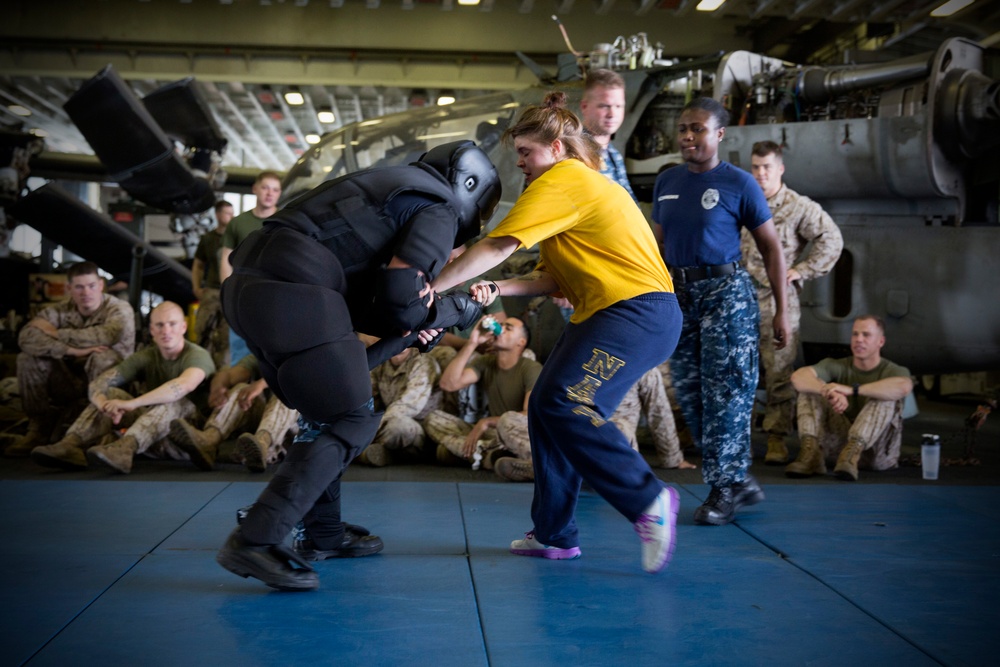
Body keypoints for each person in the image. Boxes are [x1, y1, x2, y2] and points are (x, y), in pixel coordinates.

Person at [214, 140, 501, 591]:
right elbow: (402, 303)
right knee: (351, 418)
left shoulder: (383, 191)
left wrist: (414, 328)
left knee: (331, 410)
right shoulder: (440, 206)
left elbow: (366, 333)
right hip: (294, 291)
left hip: (248, 290)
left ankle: (323, 533)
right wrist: (452, 310)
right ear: (470, 191)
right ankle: (256, 538)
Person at [431, 93, 681, 575]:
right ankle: (553, 534)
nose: (520, 162)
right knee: (547, 405)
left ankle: (648, 500)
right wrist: (494, 287)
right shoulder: (575, 189)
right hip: (616, 313)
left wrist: (433, 287)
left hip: (635, 314)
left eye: (527, 152)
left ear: (558, 149)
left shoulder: (564, 180)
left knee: (565, 404)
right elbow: (552, 279)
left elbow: (500, 243)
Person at [651, 97, 789, 526]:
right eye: (683, 129)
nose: (689, 137)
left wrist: (782, 310)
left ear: (720, 134)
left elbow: (771, 248)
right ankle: (737, 479)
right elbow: (656, 244)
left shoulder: (739, 183)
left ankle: (725, 488)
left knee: (726, 393)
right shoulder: (667, 181)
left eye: (698, 129)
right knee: (690, 393)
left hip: (725, 294)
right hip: (679, 295)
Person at [740, 140, 843, 464]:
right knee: (737, 372)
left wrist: (802, 270)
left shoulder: (798, 206)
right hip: (740, 299)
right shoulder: (743, 201)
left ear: (780, 169)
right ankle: (737, 439)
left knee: (779, 373)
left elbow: (832, 238)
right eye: (755, 167)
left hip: (777, 301)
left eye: (767, 167)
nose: (760, 173)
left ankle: (776, 437)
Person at [30, 302, 215, 474]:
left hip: (188, 434)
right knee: (111, 393)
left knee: (174, 402)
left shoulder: (198, 355)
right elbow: (100, 383)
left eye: (172, 324)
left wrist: (133, 404)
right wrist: (104, 404)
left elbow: (183, 386)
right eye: (159, 325)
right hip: (152, 429)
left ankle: (125, 449)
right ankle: (71, 445)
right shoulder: (147, 355)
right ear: (152, 330)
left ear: (183, 327)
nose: (166, 330)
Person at [7, 261, 135, 457]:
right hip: (70, 381)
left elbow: (109, 334)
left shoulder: (118, 308)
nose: (86, 292)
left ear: (101, 285)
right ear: (69, 289)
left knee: (103, 356)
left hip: (111, 390)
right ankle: (39, 427)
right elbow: (25, 337)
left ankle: (98, 430)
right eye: (79, 287)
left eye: (91, 286)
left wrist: (57, 333)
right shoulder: (59, 310)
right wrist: (69, 350)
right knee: (27, 358)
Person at [786, 315, 913, 481]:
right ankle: (811, 456)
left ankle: (852, 454)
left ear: (880, 342)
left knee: (884, 396)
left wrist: (851, 390)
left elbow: (903, 386)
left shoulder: (894, 370)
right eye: (855, 334)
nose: (859, 340)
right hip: (838, 450)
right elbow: (798, 377)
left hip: (876, 455)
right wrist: (827, 391)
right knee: (810, 390)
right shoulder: (837, 364)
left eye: (866, 335)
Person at [425, 317, 539, 480]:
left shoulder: (530, 368)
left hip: (515, 431)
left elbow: (530, 416)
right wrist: (472, 342)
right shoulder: (486, 362)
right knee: (433, 419)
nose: (502, 328)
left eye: (509, 328)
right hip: (493, 436)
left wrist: (487, 422)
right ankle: (493, 456)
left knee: (506, 420)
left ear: (521, 342)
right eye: (501, 325)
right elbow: (448, 384)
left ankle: (486, 456)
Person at [168, 353, 299, 472]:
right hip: (266, 422)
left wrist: (261, 384)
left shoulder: (304, 352)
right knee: (241, 389)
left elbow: (297, 376)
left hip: (298, 428)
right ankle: (209, 440)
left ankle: (263, 444)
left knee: (286, 394)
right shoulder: (263, 355)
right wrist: (217, 389)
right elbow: (228, 375)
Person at [219, 171, 282, 364]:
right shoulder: (238, 223)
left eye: (275, 189)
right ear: (255, 189)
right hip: (242, 297)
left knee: (275, 348)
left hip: (274, 297)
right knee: (240, 348)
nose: (270, 193)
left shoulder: (285, 222)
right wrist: (228, 293)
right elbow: (225, 259)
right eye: (265, 188)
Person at [355, 346, 441, 467]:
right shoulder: (381, 360)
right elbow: (369, 398)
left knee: (397, 427)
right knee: (353, 423)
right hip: (386, 422)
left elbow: (409, 405)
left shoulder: (423, 361)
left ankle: (357, 450)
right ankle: (381, 453)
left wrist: (370, 428)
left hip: (419, 428)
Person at [579, 68, 635, 202]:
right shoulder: (572, 153)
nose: (612, 114)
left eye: (618, 106)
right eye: (604, 106)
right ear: (584, 107)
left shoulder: (614, 155)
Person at [191, 200, 234, 369]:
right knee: (202, 332)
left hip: (229, 292)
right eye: (227, 213)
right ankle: (200, 370)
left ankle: (222, 373)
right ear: (217, 215)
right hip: (211, 291)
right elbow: (198, 265)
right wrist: (196, 287)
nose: (231, 216)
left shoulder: (237, 237)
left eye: (232, 213)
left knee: (226, 338)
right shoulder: (208, 239)